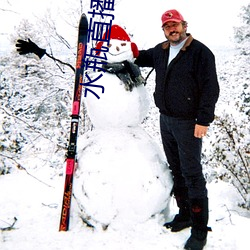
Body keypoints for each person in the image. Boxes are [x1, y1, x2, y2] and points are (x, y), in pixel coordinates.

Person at [135, 9, 219, 250]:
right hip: (166, 120)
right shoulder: (161, 51)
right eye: (167, 26)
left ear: (184, 24)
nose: (172, 29)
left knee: (192, 173)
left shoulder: (200, 52)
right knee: (177, 169)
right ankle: (185, 214)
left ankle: (200, 231)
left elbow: (210, 88)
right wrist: (122, 47)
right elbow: (139, 56)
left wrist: (203, 120)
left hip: (189, 123)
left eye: (175, 24)